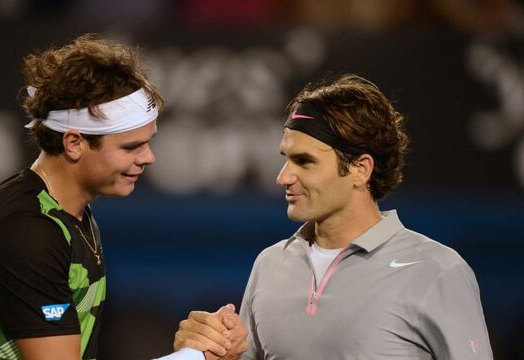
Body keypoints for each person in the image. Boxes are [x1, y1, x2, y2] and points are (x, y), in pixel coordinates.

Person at [0, 34, 248, 360]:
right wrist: (195, 357)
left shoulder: (62, 214)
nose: (148, 158)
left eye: (148, 142)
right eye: (131, 146)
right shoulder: (26, 233)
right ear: (74, 143)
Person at [174, 74, 493, 359]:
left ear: (359, 169)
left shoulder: (437, 271)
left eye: (304, 161)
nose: (284, 177)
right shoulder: (269, 265)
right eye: (286, 159)